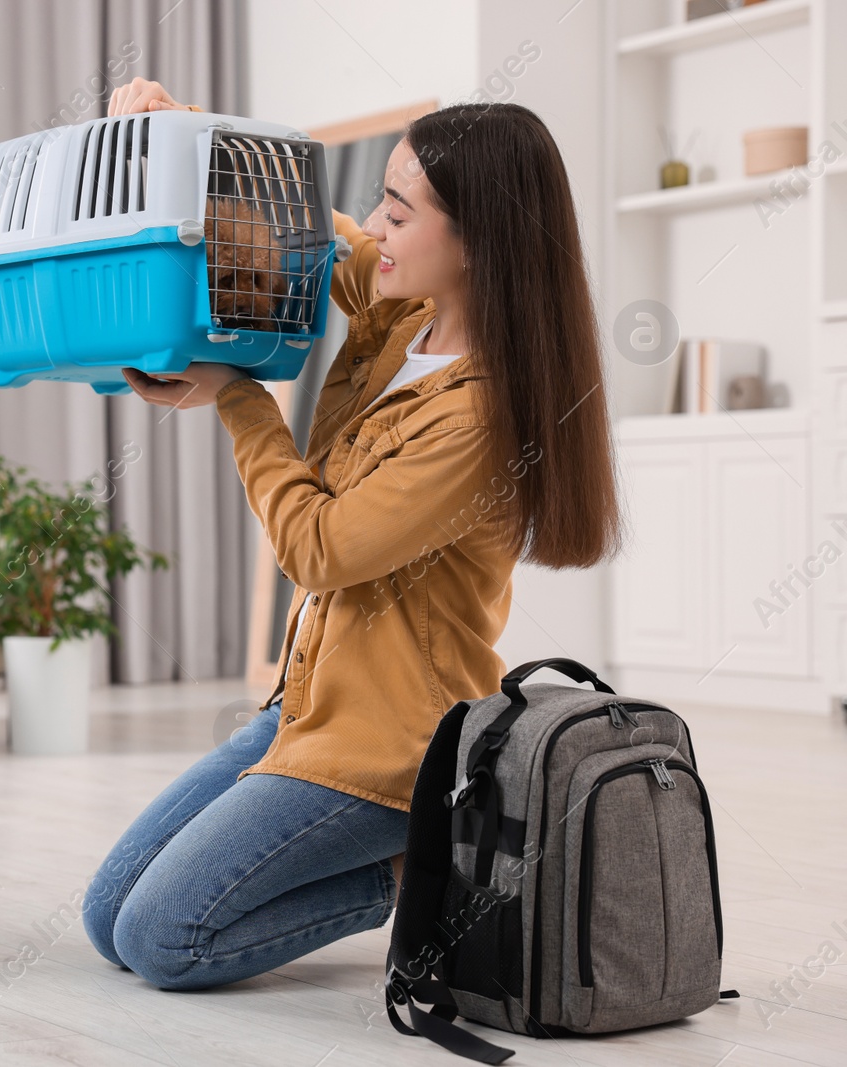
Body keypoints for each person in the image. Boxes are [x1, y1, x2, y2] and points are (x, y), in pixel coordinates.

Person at [82, 78, 620, 991]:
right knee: (107, 918)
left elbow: (320, 549)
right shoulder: (400, 311)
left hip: (390, 743)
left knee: (165, 939)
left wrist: (240, 398)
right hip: (306, 708)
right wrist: (193, 132)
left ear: (476, 240)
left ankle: (414, 867)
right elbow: (315, 230)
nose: (376, 225)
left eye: (400, 214)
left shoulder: (480, 417)